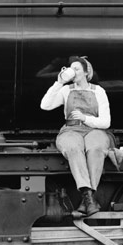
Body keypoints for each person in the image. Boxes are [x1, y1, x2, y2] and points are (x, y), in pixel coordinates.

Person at [39, 56, 111, 215]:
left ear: (86, 72)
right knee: (73, 148)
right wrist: (58, 83)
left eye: (77, 69)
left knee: (96, 148)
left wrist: (85, 118)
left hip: (94, 130)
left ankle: (87, 199)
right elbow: (45, 105)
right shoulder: (66, 90)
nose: (73, 72)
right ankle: (89, 200)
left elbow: (106, 122)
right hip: (71, 130)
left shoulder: (98, 91)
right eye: (71, 68)